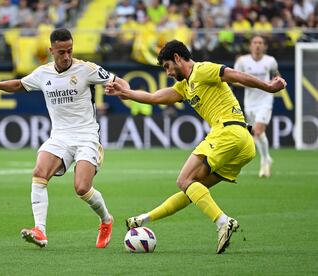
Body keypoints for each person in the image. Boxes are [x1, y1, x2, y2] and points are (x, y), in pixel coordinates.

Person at [105, 39, 286, 254]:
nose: (168, 73)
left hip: (227, 131)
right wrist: (126, 93)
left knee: (183, 180)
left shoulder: (202, 69)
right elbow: (155, 98)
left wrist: (267, 86)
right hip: (243, 143)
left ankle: (222, 222)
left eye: (167, 67)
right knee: (194, 187)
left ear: (177, 58)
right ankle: (146, 217)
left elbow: (235, 75)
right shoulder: (185, 85)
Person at [0, 28, 129, 249]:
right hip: (60, 137)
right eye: (61, 52)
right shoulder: (43, 74)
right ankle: (40, 231)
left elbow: (120, 81)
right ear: (51, 51)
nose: (66, 56)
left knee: (82, 188)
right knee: (39, 173)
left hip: (87, 137)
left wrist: (125, 91)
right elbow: (19, 84)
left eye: (69, 51)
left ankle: (106, 219)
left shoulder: (86, 69)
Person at [234, 35, 280, 178]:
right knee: (259, 134)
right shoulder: (242, 61)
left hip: (265, 101)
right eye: (255, 42)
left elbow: (276, 76)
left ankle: (261, 161)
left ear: (265, 46)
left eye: (260, 43)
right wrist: (249, 83)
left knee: (258, 131)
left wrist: (276, 82)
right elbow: (234, 79)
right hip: (250, 103)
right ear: (251, 46)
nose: (258, 45)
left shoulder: (270, 61)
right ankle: (266, 158)